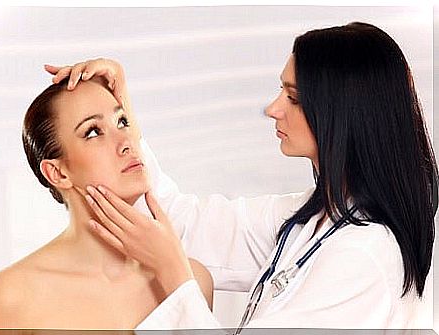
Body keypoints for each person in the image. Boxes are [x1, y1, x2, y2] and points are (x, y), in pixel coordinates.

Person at [46, 22, 437, 330]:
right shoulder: (313, 216)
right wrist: (123, 113)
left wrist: (173, 273)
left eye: (293, 97)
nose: (272, 108)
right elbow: (185, 223)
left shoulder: (363, 258)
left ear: (343, 116)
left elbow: (175, 244)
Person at [0, 76, 213, 329]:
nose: (126, 142)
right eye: (93, 132)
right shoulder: (13, 295)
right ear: (59, 173)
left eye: (122, 121)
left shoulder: (192, 281)